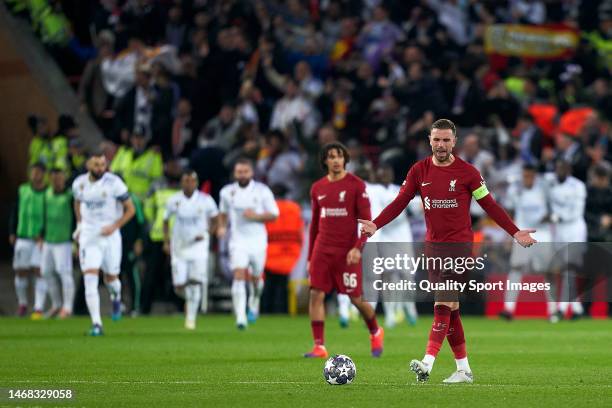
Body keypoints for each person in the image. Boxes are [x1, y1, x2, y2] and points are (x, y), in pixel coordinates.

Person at [359, 119, 536, 383]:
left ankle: (427, 363)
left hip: (460, 247)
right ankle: (463, 369)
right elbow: (399, 202)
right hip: (433, 248)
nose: (441, 145)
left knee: (442, 301)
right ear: (429, 140)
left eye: (446, 140)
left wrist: (514, 231)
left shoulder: (468, 173)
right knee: (450, 309)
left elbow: (490, 206)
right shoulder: (419, 170)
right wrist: (376, 223)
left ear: (454, 142)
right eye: (436, 140)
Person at [304, 142, 384, 359]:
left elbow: (366, 222)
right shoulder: (317, 188)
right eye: (331, 157)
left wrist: (358, 248)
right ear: (325, 161)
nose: (336, 160)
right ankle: (319, 346)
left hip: (347, 251)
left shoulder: (356, 185)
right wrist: (310, 256)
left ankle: (376, 331)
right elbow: (313, 225)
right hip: (322, 249)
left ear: (345, 159)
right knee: (316, 294)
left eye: (339, 156)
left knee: (355, 298)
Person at [72, 151, 135, 336]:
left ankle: (116, 298)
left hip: (110, 236)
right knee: (89, 277)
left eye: (102, 164)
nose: (100, 168)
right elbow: (77, 203)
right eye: (96, 164)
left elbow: (130, 209)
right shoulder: (79, 183)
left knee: (111, 278)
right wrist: (79, 225)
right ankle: (97, 324)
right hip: (89, 236)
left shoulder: (114, 183)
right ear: (88, 165)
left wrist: (115, 226)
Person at [218, 158, 279, 329]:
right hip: (238, 241)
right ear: (235, 173)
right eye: (239, 172)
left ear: (251, 173)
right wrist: (222, 227)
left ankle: (254, 300)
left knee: (256, 278)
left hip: (258, 240)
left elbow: (274, 214)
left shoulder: (262, 191)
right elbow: (222, 213)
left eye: (245, 171)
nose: (242, 175)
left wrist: (256, 216)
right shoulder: (227, 192)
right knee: (239, 274)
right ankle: (241, 317)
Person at [164, 169, 219, 330]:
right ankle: (189, 301)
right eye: (186, 181)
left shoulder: (205, 200)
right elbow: (166, 221)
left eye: (192, 181)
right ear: (181, 182)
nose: (189, 184)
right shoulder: (174, 200)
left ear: (196, 182)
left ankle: (191, 318)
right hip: (179, 245)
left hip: (199, 246)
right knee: (179, 286)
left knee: (195, 281)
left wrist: (208, 233)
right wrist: (166, 242)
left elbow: (216, 219)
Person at [500, 163, 555, 321]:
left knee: (547, 272)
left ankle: (553, 310)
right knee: (516, 268)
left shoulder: (545, 188)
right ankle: (508, 309)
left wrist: (548, 217)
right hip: (522, 232)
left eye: (530, 176)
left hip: (542, 233)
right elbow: (509, 210)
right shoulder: (515, 189)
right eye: (525, 176)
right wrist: (511, 232)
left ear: (535, 176)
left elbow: (553, 209)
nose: (527, 179)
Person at [546, 158, 588, 319]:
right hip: (558, 232)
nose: (560, 171)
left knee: (569, 268)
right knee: (565, 269)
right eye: (558, 168)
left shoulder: (578, 186)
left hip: (574, 229)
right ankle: (577, 307)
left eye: (563, 168)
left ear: (569, 170)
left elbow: (576, 212)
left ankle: (562, 309)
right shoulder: (550, 182)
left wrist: (556, 216)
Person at [9, 162, 47, 318]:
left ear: (43, 174)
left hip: (39, 238)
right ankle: (23, 304)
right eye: (33, 172)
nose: (35, 175)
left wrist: (44, 235)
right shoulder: (23, 190)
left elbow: (49, 215)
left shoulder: (47, 193)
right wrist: (12, 231)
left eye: (38, 172)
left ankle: (38, 307)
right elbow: (15, 210)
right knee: (21, 271)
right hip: (23, 237)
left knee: (39, 271)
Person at [41, 167, 75, 319]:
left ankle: (67, 308)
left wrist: (76, 239)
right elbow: (43, 216)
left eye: (59, 178)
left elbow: (76, 217)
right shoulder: (46, 194)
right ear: (50, 179)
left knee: (65, 273)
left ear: (64, 179)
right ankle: (56, 304)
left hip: (64, 241)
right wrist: (41, 235)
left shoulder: (70, 196)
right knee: (46, 272)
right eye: (53, 178)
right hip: (48, 240)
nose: (56, 181)